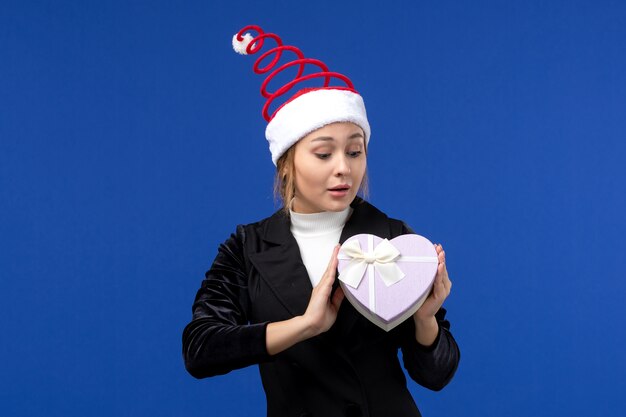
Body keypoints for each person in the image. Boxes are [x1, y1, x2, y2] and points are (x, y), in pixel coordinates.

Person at [182, 25, 460, 417]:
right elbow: (200, 350)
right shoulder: (247, 247)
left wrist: (425, 318)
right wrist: (306, 325)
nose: (344, 169)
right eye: (324, 154)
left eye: (355, 151)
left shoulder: (395, 239)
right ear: (287, 164)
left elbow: (437, 375)